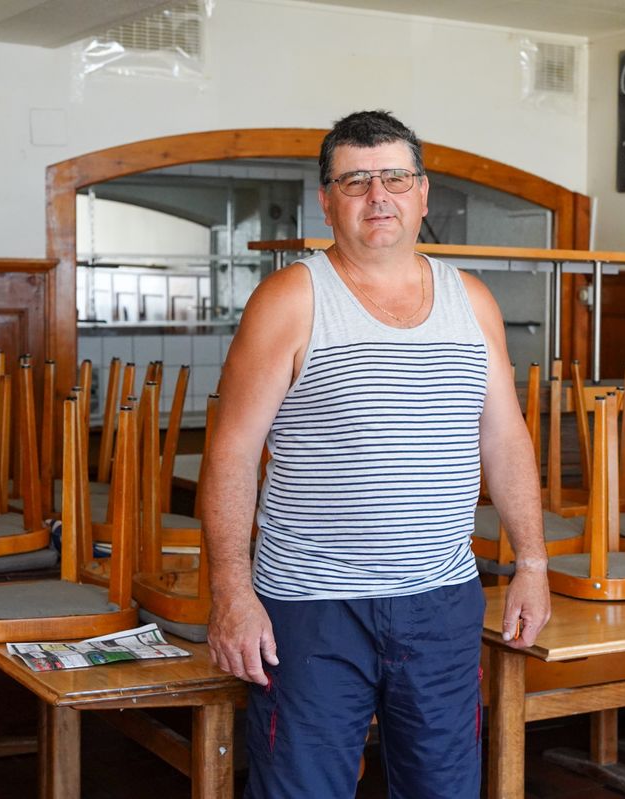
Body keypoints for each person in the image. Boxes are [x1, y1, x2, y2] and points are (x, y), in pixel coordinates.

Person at [202, 109, 551, 798]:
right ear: (327, 199)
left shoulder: (471, 301)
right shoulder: (290, 300)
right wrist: (232, 593)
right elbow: (231, 452)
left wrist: (533, 562)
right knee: (300, 789)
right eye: (355, 180)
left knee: (444, 787)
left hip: (441, 599)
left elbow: (505, 435)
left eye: (394, 177)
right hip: (313, 606)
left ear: (423, 194)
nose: (377, 195)